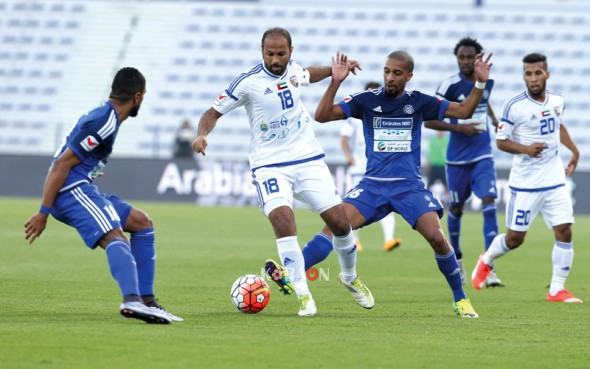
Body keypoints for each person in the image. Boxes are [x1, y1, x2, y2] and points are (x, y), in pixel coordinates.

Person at [192, 27, 374, 317]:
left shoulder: (293, 70)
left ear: (291, 52)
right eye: (269, 53)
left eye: (281, 53)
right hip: (269, 164)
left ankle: (349, 277)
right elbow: (212, 112)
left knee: (341, 224)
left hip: (307, 157)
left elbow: (308, 74)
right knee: (283, 219)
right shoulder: (247, 82)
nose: (275, 59)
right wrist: (202, 135)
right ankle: (304, 295)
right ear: (262, 51)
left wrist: (332, 70)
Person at [303, 49, 494, 318]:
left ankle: (460, 299)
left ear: (409, 76)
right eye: (386, 71)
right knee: (335, 225)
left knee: (437, 239)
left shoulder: (419, 102)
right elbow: (321, 115)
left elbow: (463, 110)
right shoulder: (367, 100)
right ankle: (290, 273)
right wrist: (335, 81)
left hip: (409, 187)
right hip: (372, 186)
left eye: (396, 73)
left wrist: (480, 82)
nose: (389, 78)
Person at [24, 67, 182, 324]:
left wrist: (91, 168)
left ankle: (148, 302)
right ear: (138, 97)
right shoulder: (104, 121)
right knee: (115, 236)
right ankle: (131, 301)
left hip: (79, 184)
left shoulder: (107, 117)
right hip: (70, 190)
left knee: (141, 223)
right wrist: (43, 212)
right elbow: (61, 165)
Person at [471, 53, 582, 304]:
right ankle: (486, 260)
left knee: (564, 230)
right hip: (526, 184)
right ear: (524, 76)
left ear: (547, 74)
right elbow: (501, 141)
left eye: (537, 73)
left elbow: (557, 126)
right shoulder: (514, 106)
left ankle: (556, 289)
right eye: (528, 74)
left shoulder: (557, 100)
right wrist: (526, 149)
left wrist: (574, 150)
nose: (532, 79)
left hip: (554, 179)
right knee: (515, 239)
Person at [424, 37, 502, 287]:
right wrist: (459, 129)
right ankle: (456, 258)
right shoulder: (449, 85)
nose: (466, 61)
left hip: (483, 154)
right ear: (457, 59)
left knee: (489, 201)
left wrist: (495, 119)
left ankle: (488, 266)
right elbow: (429, 119)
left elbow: (484, 100)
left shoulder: (486, 80)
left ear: (478, 57)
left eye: (471, 57)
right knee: (456, 208)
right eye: (462, 57)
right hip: (457, 159)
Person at [340, 81, 402, 252]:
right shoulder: (354, 116)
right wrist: (348, 156)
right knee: (355, 205)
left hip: (380, 169)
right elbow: (344, 137)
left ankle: (389, 239)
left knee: (386, 203)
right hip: (359, 168)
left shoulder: (387, 113)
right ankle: (354, 241)